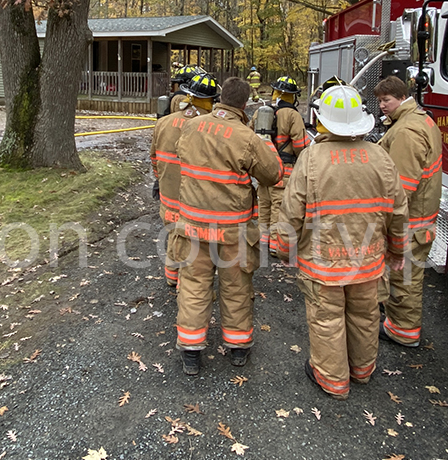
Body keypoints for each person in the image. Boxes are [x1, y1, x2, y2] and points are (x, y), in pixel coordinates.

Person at [277, 84, 408, 399]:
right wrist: (397, 250)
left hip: (324, 264)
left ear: (323, 120)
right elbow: (399, 211)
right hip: (369, 260)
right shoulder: (380, 156)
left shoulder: (311, 158)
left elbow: (291, 211)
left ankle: (333, 380)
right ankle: (362, 371)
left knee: (327, 319)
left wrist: (284, 250)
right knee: (365, 315)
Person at [174, 77, 283, 375]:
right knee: (236, 288)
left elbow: (180, 157)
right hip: (232, 231)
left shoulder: (192, 127)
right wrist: (265, 142)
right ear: (245, 104)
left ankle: (192, 352)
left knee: (194, 287)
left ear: (221, 98)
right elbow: (273, 175)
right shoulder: (246, 137)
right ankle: (237, 348)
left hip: (193, 228)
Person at [373, 75, 443, 347]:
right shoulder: (419, 119)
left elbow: (401, 188)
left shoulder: (406, 132)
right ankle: (399, 323)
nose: (382, 106)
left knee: (405, 276)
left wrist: (388, 224)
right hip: (420, 215)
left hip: (412, 219)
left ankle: (402, 331)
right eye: (379, 100)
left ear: (401, 97)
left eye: (386, 100)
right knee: (407, 273)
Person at [151, 72, 217, 287]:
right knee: (192, 241)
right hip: (193, 199)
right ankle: (187, 284)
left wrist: (160, 181)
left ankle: (171, 274)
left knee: (174, 233)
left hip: (168, 196)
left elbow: (154, 158)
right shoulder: (208, 127)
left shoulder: (164, 122)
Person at [257, 76, 310, 258]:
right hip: (284, 170)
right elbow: (300, 144)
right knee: (278, 208)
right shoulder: (293, 115)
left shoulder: (262, 113)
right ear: (292, 96)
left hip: (264, 169)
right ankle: (274, 245)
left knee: (264, 204)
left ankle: (262, 241)